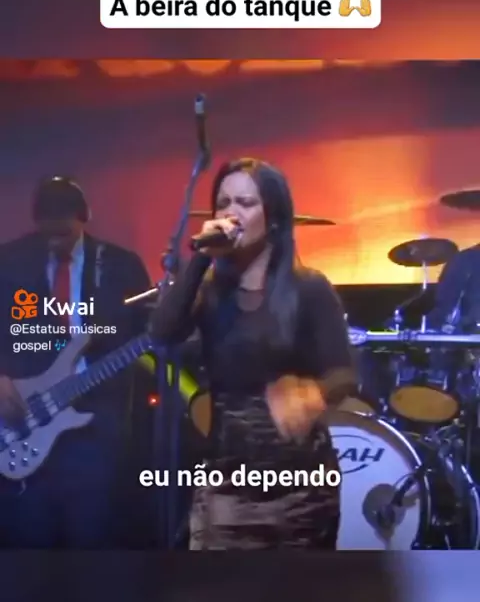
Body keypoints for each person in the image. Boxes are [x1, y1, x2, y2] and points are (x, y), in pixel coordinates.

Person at [150, 158, 357, 550]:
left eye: (245, 203)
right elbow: (162, 333)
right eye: (223, 203)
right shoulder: (209, 291)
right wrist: (201, 256)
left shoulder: (309, 288)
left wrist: (312, 394)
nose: (231, 213)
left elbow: (344, 373)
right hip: (227, 490)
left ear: (273, 218)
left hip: (302, 491)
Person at [0, 176, 151, 548]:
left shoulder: (120, 266)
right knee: (31, 542)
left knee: (91, 539)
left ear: (84, 218)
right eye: (47, 230)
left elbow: (149, 330)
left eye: (63, 231)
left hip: (95, 425)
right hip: (23, 419)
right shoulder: (9, 262)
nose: (55, 240)